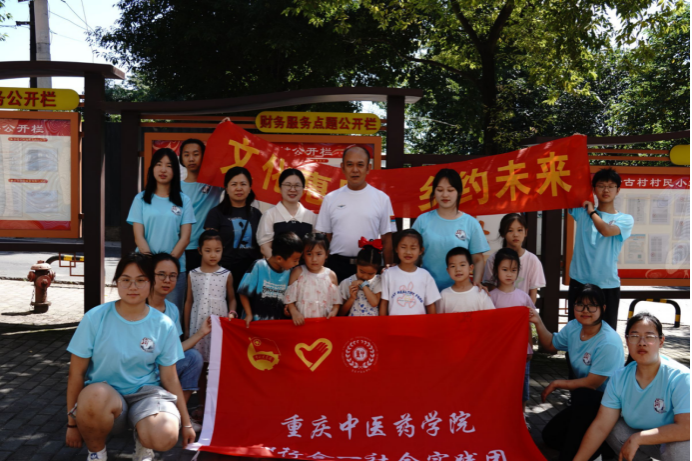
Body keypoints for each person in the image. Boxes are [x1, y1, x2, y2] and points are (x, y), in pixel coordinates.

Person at [65, 253, 194, 461]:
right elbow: (76, 373)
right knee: (93, 395)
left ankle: (143, 441)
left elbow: (170, 378)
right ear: (117, 282)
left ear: (151, 283)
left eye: (141, 280)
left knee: (166, 435)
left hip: (145, 395)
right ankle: (96, 452)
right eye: (126, 280)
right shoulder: (95, 318)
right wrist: (72, 424)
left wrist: (186, 423)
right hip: (105, 395)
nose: (133, 287)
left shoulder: (163, 324)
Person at [575, 313, 690, 461]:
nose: (642, 342)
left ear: (661, 341)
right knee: (615, 429)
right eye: (635, 336)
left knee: (679, 449)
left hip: (677, 442)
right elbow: (601, 426)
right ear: (627, 341)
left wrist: (638, 438)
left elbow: (687, 428)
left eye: (649, 336)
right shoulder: (620, 377)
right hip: (650, 442)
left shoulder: (681, 377)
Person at [529, 284, 624, 460]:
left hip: (608, 403)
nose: (585, 310)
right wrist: (537, 321)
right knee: (550, 436)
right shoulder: (574, 326)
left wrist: (557, 383)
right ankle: (600, 448)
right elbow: (550, 345)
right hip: (584, 400)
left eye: (592, 305)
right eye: (580, 304)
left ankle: (577, 455)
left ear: (603, 308)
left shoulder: (608, 341)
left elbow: (592, 383)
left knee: (583, 396)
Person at [127, 148, 195, 320]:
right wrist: (152, 264)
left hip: (174, 271)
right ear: (152, 169)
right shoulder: (140, 199)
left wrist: (167, 267)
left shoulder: (184, 201)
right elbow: (139, 236)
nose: (163, 169)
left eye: (169, 166)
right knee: (141, 316)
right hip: (145, 267)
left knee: (171, 317)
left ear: (175, 171)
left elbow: (185, 238)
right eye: (159, 164)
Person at [315, 145, 396, 282]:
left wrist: (388, 272)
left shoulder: (382, 199)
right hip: (337, 267)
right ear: (342, 167)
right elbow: (326, 238)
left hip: (369, 267)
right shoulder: (330, 198)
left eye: (360, 165)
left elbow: (387, 240)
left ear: (368, 168)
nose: (355, 170)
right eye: (350, 164)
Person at [569, 167, 634, 329]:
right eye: (601, 185)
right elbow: (567, 188)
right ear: (593, 189)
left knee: (605, 331)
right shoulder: (581, 212)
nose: (606, 190)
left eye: (611, 186)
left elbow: (606, 231)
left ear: (618, 190)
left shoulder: (625, 219)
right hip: (579, 281)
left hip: (607, 284)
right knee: (576, 330)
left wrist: (592, 212)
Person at [412, 168, 490, 292]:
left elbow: (478, 259)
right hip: (426, 291)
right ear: (434, 192)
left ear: (459, 192)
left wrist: (476, 284)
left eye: (450, 190)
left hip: (460, 292)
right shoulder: (422, 221)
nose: (445, 195)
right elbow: (412, 256)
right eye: (440, 190)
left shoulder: (471, 223)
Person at [147, 253, 207, 409]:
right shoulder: (138, 306)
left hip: (162, 369)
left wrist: (201, 332)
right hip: (140, 370)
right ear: (150, 275)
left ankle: (179, 412)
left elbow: (175, 350)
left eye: (172, 276)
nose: (167, 280)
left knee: (194, 357)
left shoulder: (172, 309)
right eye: (161, 274)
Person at [488, 248, 536, 428]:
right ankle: (499, 415)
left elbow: (529, 324)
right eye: (505, 269)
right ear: (496, 271)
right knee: (501, 385)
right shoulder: (490, 298)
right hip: (499, 352)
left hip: (520, 351)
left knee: (522, 386)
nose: (509, 274)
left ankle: (521, 417)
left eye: (513, 270)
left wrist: (530, 347)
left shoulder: (523, 297)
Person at [205, 166, 263, 303]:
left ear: (250, 188)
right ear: (226, 188)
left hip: (251, 276)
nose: (239, 188)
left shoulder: (257, 214)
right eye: (234, 184)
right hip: (223, 274)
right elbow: (209, 247)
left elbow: (262, 246)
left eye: (243, 184)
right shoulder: (215, 214)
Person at [184, 230, 237, 362]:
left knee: (217, 359)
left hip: (218, 323)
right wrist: (186, 329)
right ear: (200, 250)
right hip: (197, 324)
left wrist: (231, 313)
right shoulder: (193, 275)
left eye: (217, 250)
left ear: (222, 250)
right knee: (197, 359)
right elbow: (189, 302)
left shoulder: (226, 274)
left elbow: (232, 299)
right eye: (208, 250)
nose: (213, 255)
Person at [237, 231, 304, 326]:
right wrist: (248, 314)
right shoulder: (259, 266)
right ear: (279, 258)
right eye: (295, 260)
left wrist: (288, 310)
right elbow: (243, 292)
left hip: (276, 327)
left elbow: (288, 299)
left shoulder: (290, 272)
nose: (297, 264)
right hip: (256, 325)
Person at [179, 138, 224, 272]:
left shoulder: (214, 183)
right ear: (181, 159)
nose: (191, 159)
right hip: (183, 247)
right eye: (186, 155)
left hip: (208, 248)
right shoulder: (176, 188)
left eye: (196, 154)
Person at [482, 213, 545, 304]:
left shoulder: (532, 260)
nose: (515, 234)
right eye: (510, 230)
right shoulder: (493, 259)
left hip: (522, 309)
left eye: (520, 230)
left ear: (526, 232)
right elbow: (491, 288)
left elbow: (533, 293)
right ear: (502, 233)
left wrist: (528, 311)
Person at [257, 168, 316, 259]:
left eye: (297, 185)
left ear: (303, 188)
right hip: (277, 267)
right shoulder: (270, 215)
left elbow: (315, 247)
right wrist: (281, 264)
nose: (292, 189)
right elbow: (265, 247)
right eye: (288, 185)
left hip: (304, 268)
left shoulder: (311, 217)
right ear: (280, 187)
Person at [379, 229, 440, 316]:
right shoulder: (388, 274)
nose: (408, 252)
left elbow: (430, 305)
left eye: (413, 248)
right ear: (396, 248)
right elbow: (384, 303)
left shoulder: (425, 275)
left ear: (421, 251)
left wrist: (432, 324)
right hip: (394, 324)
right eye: (403, 247)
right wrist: (382, 324)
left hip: (419, 324)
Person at [285, 233, 341, 326]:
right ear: (303, 255)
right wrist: (294, 312)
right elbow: (289, 299)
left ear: (326, 254)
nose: (314, 259)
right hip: (301, 323)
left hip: (323, 323)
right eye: (309, 254)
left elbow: (336, 302)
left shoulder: (331, 275)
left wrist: (334, 312)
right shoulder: (297, 272)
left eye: (319, 254)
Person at [438, 247, 495, 313]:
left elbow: (490, 316)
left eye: (462, 265)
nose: (458, 269)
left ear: (470, 268)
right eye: (453, 266)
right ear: (448, 270)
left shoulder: (480, 293)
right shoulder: (444, 295)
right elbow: (439, 318)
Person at [339, 238, 383, 317]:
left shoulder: (378, 280)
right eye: (362, 271)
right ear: (356, 263)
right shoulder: (347, 282)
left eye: (371, 274)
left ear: (377, 270)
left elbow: (374, 303)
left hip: (372, 323)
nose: (365, 276)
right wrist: (352, 298)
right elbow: (341, 313)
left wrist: (363, 285)